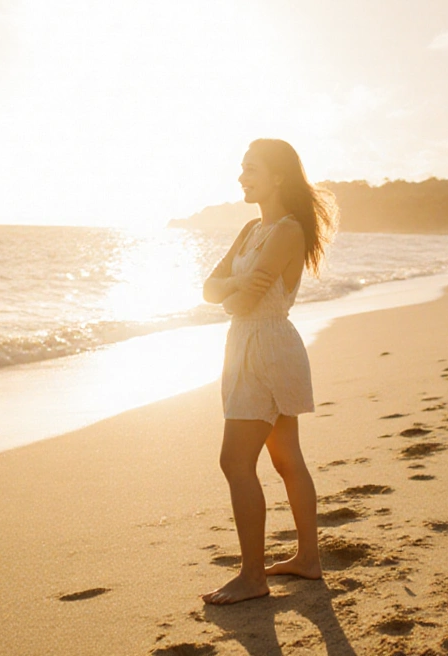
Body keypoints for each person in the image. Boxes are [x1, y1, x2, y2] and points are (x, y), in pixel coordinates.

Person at [200, 138, 337, 605]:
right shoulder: (248, 229)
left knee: (235, 462)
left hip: (265, 349)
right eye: (241, 167)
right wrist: (234, 287)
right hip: (251, 345)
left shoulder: (287, 231)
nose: (241, 176)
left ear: (278, 176)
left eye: (251, 167)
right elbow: (208, 289)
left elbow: (241, 299)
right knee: (284, 459)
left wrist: (231, 289)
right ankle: (308, 560)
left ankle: (253, 577)